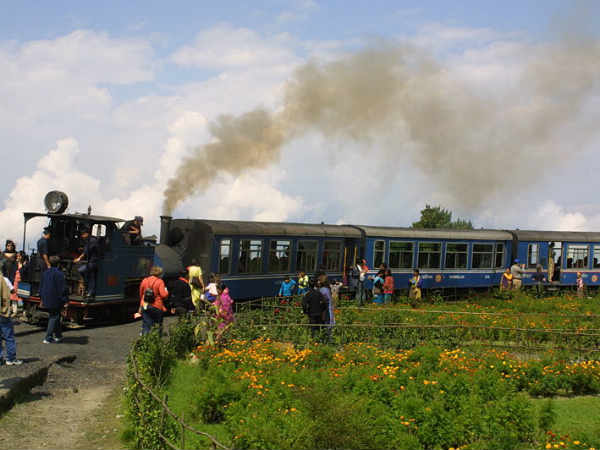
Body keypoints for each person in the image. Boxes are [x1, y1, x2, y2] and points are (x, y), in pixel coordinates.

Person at [40, 256, 67, 344]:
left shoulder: (45, 273)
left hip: (46, 297)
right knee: (54, 316)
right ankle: (48, 337)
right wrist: (65, 300)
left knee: (56, 316)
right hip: (56, 298)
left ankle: (59, 335)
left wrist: (41, 298)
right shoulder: (60, 274)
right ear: (58, 264)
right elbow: (62, 289)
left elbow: (41, 286)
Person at [136, 266, 169, 335]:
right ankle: (157, 338)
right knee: (158, 325)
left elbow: (141, 293)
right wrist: (166, 292)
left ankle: (146, 339)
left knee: (146, 325)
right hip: (156, 305)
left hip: (145, 305)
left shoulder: (145, 280)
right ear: (159, 273)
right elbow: (163, 295)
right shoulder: (160, 281)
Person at [0, 275, 22, 364]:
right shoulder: (4, 279)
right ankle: (11, 358)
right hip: (3, 313)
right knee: (9, 336)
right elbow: (13, 290)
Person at [74, 227, 99, 299]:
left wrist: (79, 258)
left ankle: (89, 290)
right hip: (90, 261)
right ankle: (90, 291)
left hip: (94, 262)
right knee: (91, 276)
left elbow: (86, 251)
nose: (82, 236)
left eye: (83, 235)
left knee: (81, 270)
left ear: (87, 234)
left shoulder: (92, 240)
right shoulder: (89, 240)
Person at [318, 272, 335, 340]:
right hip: (329, 310)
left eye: (319, 281)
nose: (317, 282)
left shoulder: (323, 290)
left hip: (326, 311)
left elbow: (323, 302)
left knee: (326, 328)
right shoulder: (327, 289)